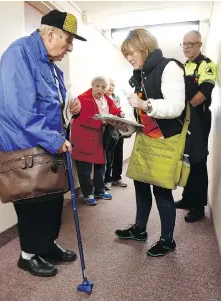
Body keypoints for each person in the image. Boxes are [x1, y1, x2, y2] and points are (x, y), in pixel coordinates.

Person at [0, 10, 85, 277]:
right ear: (50, 34)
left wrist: (71, 112)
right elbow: (20, 110)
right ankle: (28, 255)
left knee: (52, 199)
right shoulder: (19, 54)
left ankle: (46, 246)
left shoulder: (49, 64)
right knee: (31, 202)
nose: (69, 48)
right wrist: (54, 139)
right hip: (24, 145)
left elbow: (51, 109)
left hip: (47, 145)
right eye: (68, 41)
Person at [114, 28, 187, 257]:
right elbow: (142, 112)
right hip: (146, 137)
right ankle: (139, 229)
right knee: (141, 184)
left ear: (144, 47)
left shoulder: (170, 67)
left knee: (162, 192)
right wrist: (125, 124)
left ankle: (167, 241)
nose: (129, 58)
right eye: (126, 54)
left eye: (131, 52)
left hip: (165, 141)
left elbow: (176, 107)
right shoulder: (142, 73)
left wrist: (145, 105)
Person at [175, 30, 217, 222]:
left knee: (198, 160)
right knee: (186, 158)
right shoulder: (184, 66)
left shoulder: (206, 64)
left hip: (198, 118)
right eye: (184, 43)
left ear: (200, 44)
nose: (186, 47)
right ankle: (187, 198)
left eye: (190, 43)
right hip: (186, 119)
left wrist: (184, 111)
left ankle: (198, 206)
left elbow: (203, 94)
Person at [71, 77, 121, 206]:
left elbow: (114, 110)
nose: (100, 89)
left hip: (100, 138)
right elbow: (81, 118)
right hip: (84, 138)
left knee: (101, 166)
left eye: (103, 87)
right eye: (97, 86)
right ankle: (88, 194)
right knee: (85, 169)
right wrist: (102, 122)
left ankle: (100, 190)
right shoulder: (82, 98)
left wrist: (119, 114)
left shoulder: (107, 99)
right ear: (92, 86)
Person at [104, 79, 127, 190]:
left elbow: (119, 110)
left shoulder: (116, 97)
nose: (111, 87)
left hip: (119, 129)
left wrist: (122, 113)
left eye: (113, 85)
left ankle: (116, 177)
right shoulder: (102, 98)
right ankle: (107, 179)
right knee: (109, 156)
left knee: (119, 154)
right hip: (109, 130)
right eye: (109, 85)